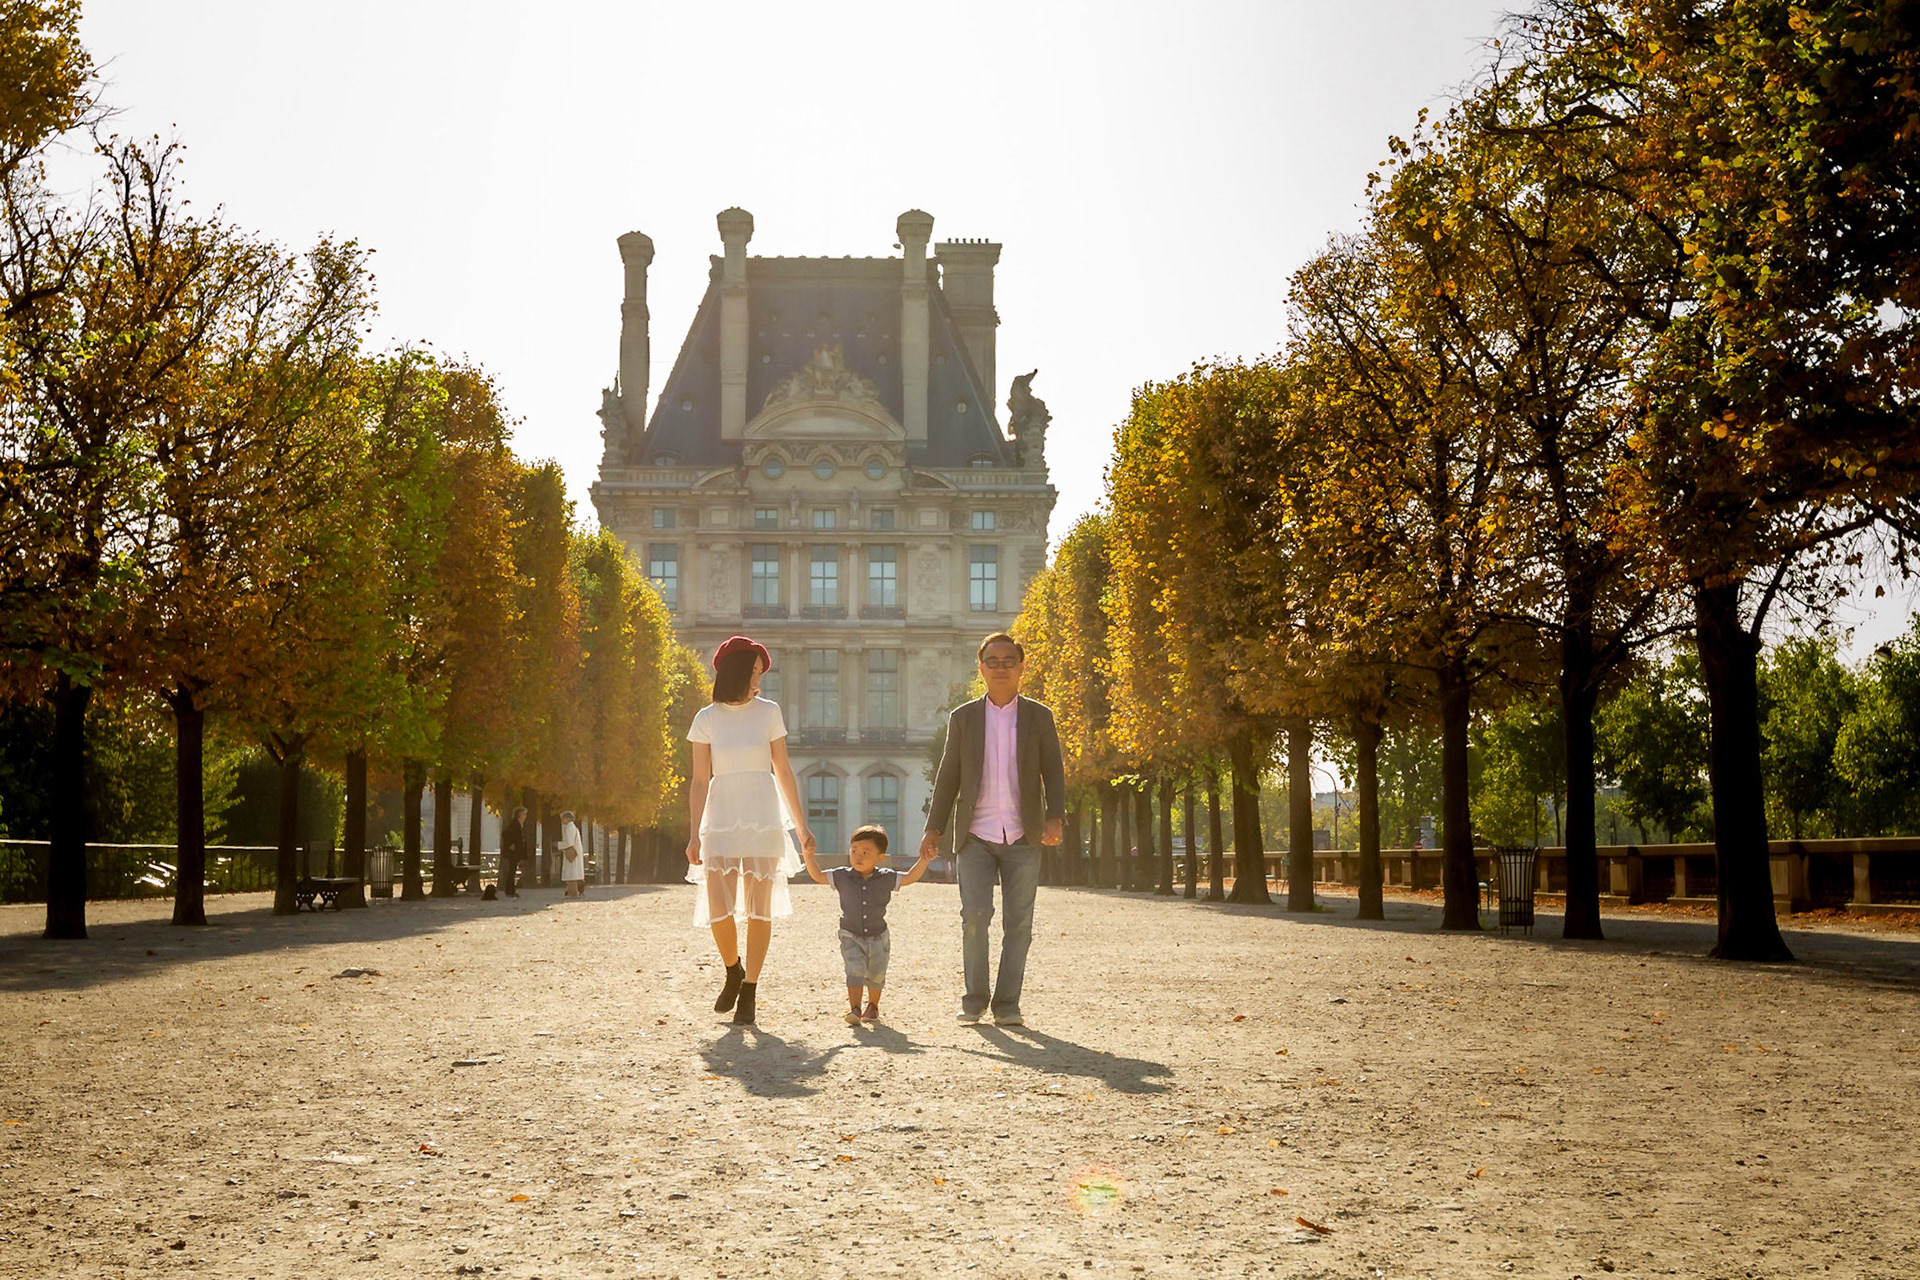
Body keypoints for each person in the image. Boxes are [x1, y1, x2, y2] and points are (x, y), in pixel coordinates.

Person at [921, 632, 1066, 1027]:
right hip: (975, 836)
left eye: (1008, 660)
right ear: (980, 668)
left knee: (1019, 924)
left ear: (1021, 666)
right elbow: (947, 776)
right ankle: (973, 1000)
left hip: (1024, 835)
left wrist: (1056, 816)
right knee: (974, 917)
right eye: (993, 660)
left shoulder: (1040, 716)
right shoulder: (963, 718)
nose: (1001, 666)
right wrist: (934, 828)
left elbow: (1053, 769)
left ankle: (1007, 1005)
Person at [685, 635, 815, 1026]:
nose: (760, 678)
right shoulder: (705, 719)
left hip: (762, 813)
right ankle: (733, 970)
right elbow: (697, 781)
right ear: (739, 671)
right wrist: (693, 834)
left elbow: (783, 770)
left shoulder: (769, 712)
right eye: (756, 671)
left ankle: (751, 991)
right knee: (718, 909)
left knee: (760, 911)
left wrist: (801, 826)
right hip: (721, 815)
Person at [801, 824, 935, 1025]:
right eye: (854, 851)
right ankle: (854, 1008)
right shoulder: (842, 875)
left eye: (865, 852)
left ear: (880, 857)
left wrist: (924, 860)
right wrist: (808, 857)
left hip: (878, 935)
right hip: (850, 933)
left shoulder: (886, 877)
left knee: (876, 973)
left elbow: (909, 878)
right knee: (854, 969)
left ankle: (872, 1006)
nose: (858, 856)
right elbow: (818, 876)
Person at [500, 805, 533, 897]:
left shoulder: (518, 824)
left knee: (512, 871)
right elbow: (505, 834)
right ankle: (509, 891)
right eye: (524, 814)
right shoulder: (515, 824)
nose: (525, 816)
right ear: (520, 815)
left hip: (516, 852)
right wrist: (510, 844)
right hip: (513, 853)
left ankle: (511, 890)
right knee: (511, 871)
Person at [557, 811, 586, 897]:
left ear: (567, 818)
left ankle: (573, 893)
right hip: (575, 853)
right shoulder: (572, 827)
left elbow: (569, 842)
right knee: (572, 873)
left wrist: (558, 844)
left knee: (572, 874)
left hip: (572, 854)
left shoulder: (570, 827)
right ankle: (572, 892)